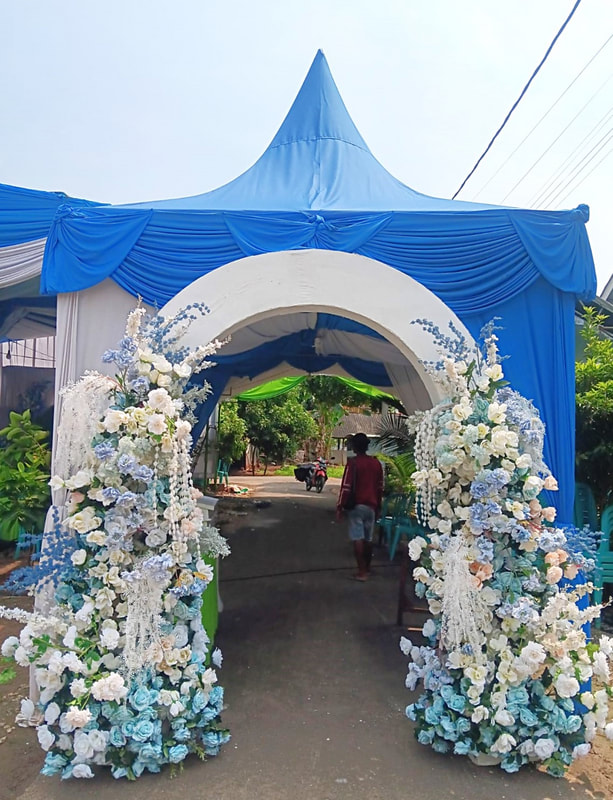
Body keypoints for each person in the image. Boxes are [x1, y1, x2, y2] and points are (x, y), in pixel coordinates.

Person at [336, 432, 383, 581]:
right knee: (368, 538)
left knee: (358, 538)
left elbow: (346, 487)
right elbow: (380, 487)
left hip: (356, 506)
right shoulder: (376, 464)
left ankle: (361, 572)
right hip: (372, 506)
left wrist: (340, 507)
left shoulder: (353, 463)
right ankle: (367, 568)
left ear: (355, 447)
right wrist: (379, 506)